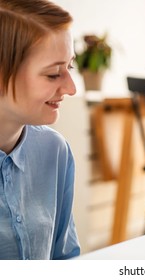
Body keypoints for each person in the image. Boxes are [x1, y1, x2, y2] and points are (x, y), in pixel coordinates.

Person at [0, 0, 80, 259]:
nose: (71, 88)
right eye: (53, 74)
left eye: (70, 66)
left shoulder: (54, 151)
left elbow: (64, 259)